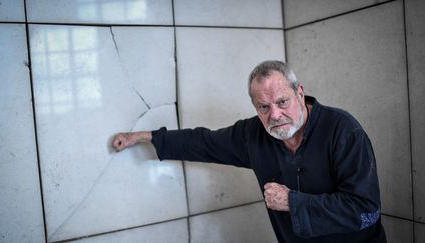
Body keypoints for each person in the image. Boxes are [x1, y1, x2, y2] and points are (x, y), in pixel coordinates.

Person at [112, 60, 386, 242]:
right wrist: (142, 136)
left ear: (300, 93)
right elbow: (204, 142)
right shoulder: (252, 134)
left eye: (282, 102)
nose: (275, 115)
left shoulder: (343, 130)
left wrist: (293, 202)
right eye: (264, 107)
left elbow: (366, 210)